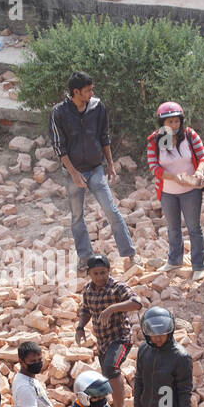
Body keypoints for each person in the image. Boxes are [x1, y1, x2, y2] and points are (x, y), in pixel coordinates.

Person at [47, 71, 134, 267]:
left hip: (96, 169)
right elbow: (59, 147)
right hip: (73, 172)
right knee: (77, 216)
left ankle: (129, 254)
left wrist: (110, 165)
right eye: (88, 90)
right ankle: (85, 258)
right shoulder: (59, 113)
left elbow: (104, 137)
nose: (91, 93)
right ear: (75, 92)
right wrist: (74, 173)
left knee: (111, 210)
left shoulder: (97, 107)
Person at [145, 101, 204, 277]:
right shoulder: (155, 140)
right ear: (162, 124)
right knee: (172, 227)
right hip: (167, 191)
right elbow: (154, 167)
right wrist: (175, 178)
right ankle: (174, 260)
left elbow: (203, 156)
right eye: (170, 122)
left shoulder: (190, 135)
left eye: (177, 121)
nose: (174, 125)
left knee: (194, 228)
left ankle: (198, 265)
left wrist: (198, 171)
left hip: (190, 190)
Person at [75, 255, 142, 407]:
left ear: (109, 271)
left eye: (103, 273)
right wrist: (80, 327)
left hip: (121, 338)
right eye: (96, 273)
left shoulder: (117, 287)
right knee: (107, 374)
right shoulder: (88, 290)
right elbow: (85, 310)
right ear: (89, 274)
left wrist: (113, 308)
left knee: (112, 369)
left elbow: (137, 303)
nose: (100, 277)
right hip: (102, 341)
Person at [133, 306, 192, 407]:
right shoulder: (144, 350)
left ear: (170, 330)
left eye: (162, 334)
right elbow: (139, 382)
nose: (158, 338)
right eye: (154, 334)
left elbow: (184, 392)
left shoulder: (181, 357)